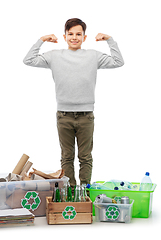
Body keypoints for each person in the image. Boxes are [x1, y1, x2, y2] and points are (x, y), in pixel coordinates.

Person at [23, 18, 124, 188]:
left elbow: (118, 61)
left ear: (84, 37)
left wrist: (109, 40)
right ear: (65, 36)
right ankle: (69, 192)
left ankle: (84, 191)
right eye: (71, 34)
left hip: (86, 115)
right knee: (66, 157)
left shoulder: (93, 55)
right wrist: (42, 40)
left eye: (78, 34)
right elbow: (29, 60)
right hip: (64, 115)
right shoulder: (55, 55)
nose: (74, 37)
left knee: (85, 157)